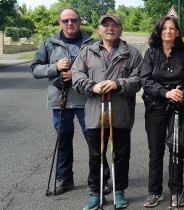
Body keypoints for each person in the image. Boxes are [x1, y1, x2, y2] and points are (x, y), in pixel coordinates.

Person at [31, 7, 111, 195]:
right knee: (63, 141)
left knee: (94, 141)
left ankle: (102, 178)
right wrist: (55, 67)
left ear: (79, 21)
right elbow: (35, 69)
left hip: (87, 100)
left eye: (73, 20)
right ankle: (65, 178)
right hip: (60, 100)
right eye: (65, 20)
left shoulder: (92, 43)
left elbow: (101, 68)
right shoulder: (49, 44)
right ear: (60, 22)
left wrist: (75, 75)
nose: (70, 24)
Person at [71, 14, 142, 210]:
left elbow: (138, 80)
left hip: (120, 113)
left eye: (114, 25)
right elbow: (76, 75)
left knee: (120, 154)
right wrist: (91, 86)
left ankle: (119, 191)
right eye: (106, 25)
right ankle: (96, 192)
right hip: (95, 113)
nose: (110, 29)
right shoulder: (87, 52)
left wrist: (117, 83)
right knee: (96, 155)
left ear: (120, 29)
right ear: (99, 29)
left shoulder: (132, 53)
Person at [140, 16, 184, 208]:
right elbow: (146, 81)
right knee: (155, 151)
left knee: (176, 149)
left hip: (179, 108)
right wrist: (165, 93)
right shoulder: (150, 54)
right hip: (155, 107)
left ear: (177, 33)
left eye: (172, 28)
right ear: (159, 31)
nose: (168, 31)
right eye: (164, 28)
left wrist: (183, 94)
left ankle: (176, 191)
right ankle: (154, 192)